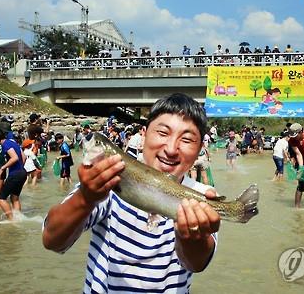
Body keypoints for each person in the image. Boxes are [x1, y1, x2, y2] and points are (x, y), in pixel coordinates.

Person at [42, 93, 220, 293]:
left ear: (200, 150)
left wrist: (191, 238)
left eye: (186, 139)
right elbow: (52, 241)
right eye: (162, 133)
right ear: (143, 135)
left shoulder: (202, 197)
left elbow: (196, 264)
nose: (171, 149)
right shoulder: (109, 181)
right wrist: (85, 198)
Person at [0, 128, 27, 220]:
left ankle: (11, 220)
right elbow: (23, 157)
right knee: (14, 198)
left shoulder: (5, 145)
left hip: (15, 174)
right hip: (22, 172)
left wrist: (2, 168)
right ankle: (18, 217)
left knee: (1, 198)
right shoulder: (13, 143)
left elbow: (15, 158)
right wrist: (20, 168)